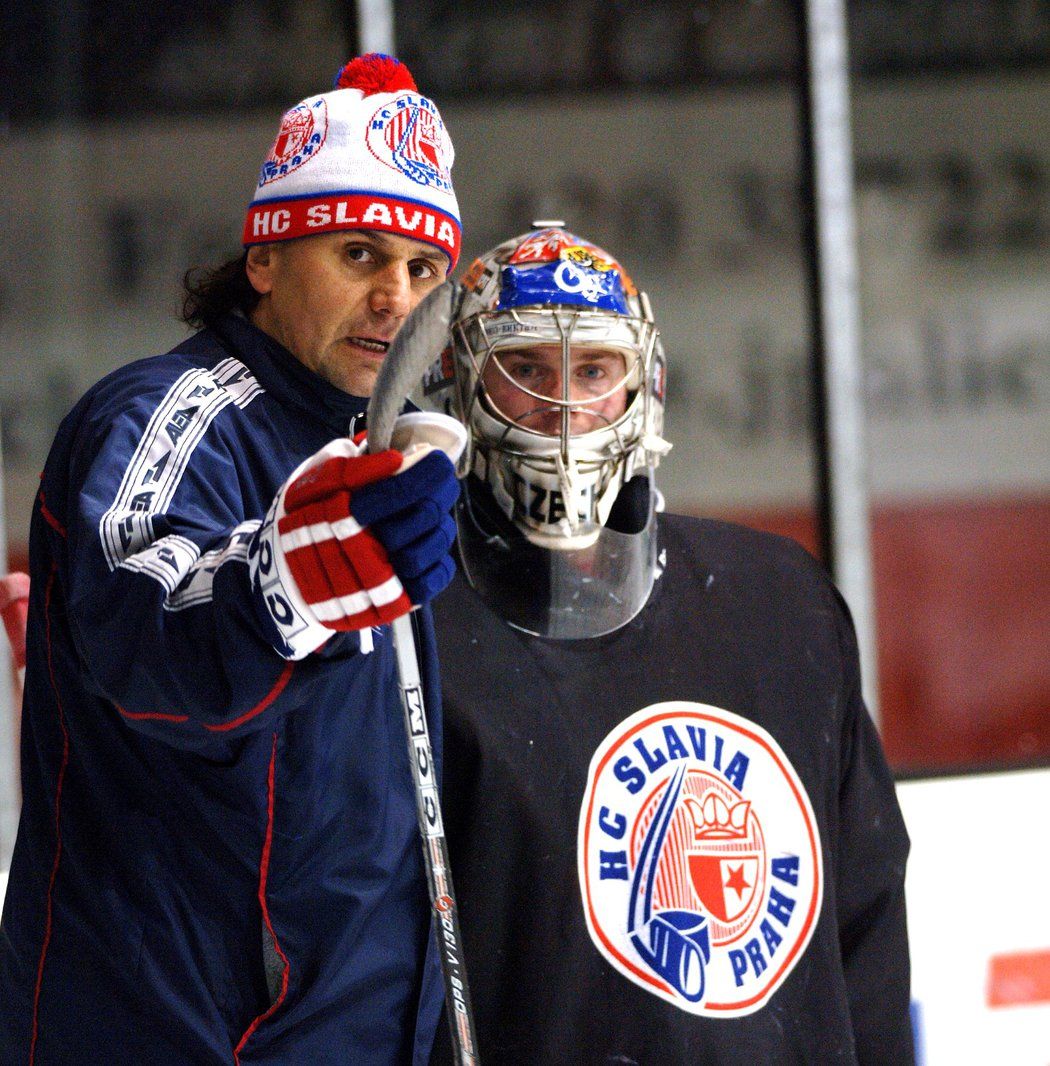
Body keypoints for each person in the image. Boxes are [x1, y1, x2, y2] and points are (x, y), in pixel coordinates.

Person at [0, 54, 464, 1065]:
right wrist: (285, 581)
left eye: (422, 271)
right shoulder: (167, 418)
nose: (396, 297)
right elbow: (148, 635)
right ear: (266, 257)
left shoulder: (400, 458)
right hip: (173, 1037)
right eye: (358, 255)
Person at [428, 225, 914, 1063]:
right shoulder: (413, 627)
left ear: (640, 386)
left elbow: (863, 920)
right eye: (527, 371)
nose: (565, 408)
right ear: (463, 386)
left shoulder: (777, 601)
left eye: (592, 371)